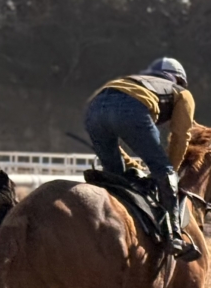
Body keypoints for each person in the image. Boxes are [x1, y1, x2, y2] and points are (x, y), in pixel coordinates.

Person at [84, 57, 202, 261]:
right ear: (178, 80)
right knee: (165, 171)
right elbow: (180, 137)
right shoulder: (182, 92)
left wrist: (132, 165)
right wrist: (168, 172)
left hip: (94, 108)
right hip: (131, 109)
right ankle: (174, 237)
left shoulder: (133, 82)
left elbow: (115, 145)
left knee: (116, 178)